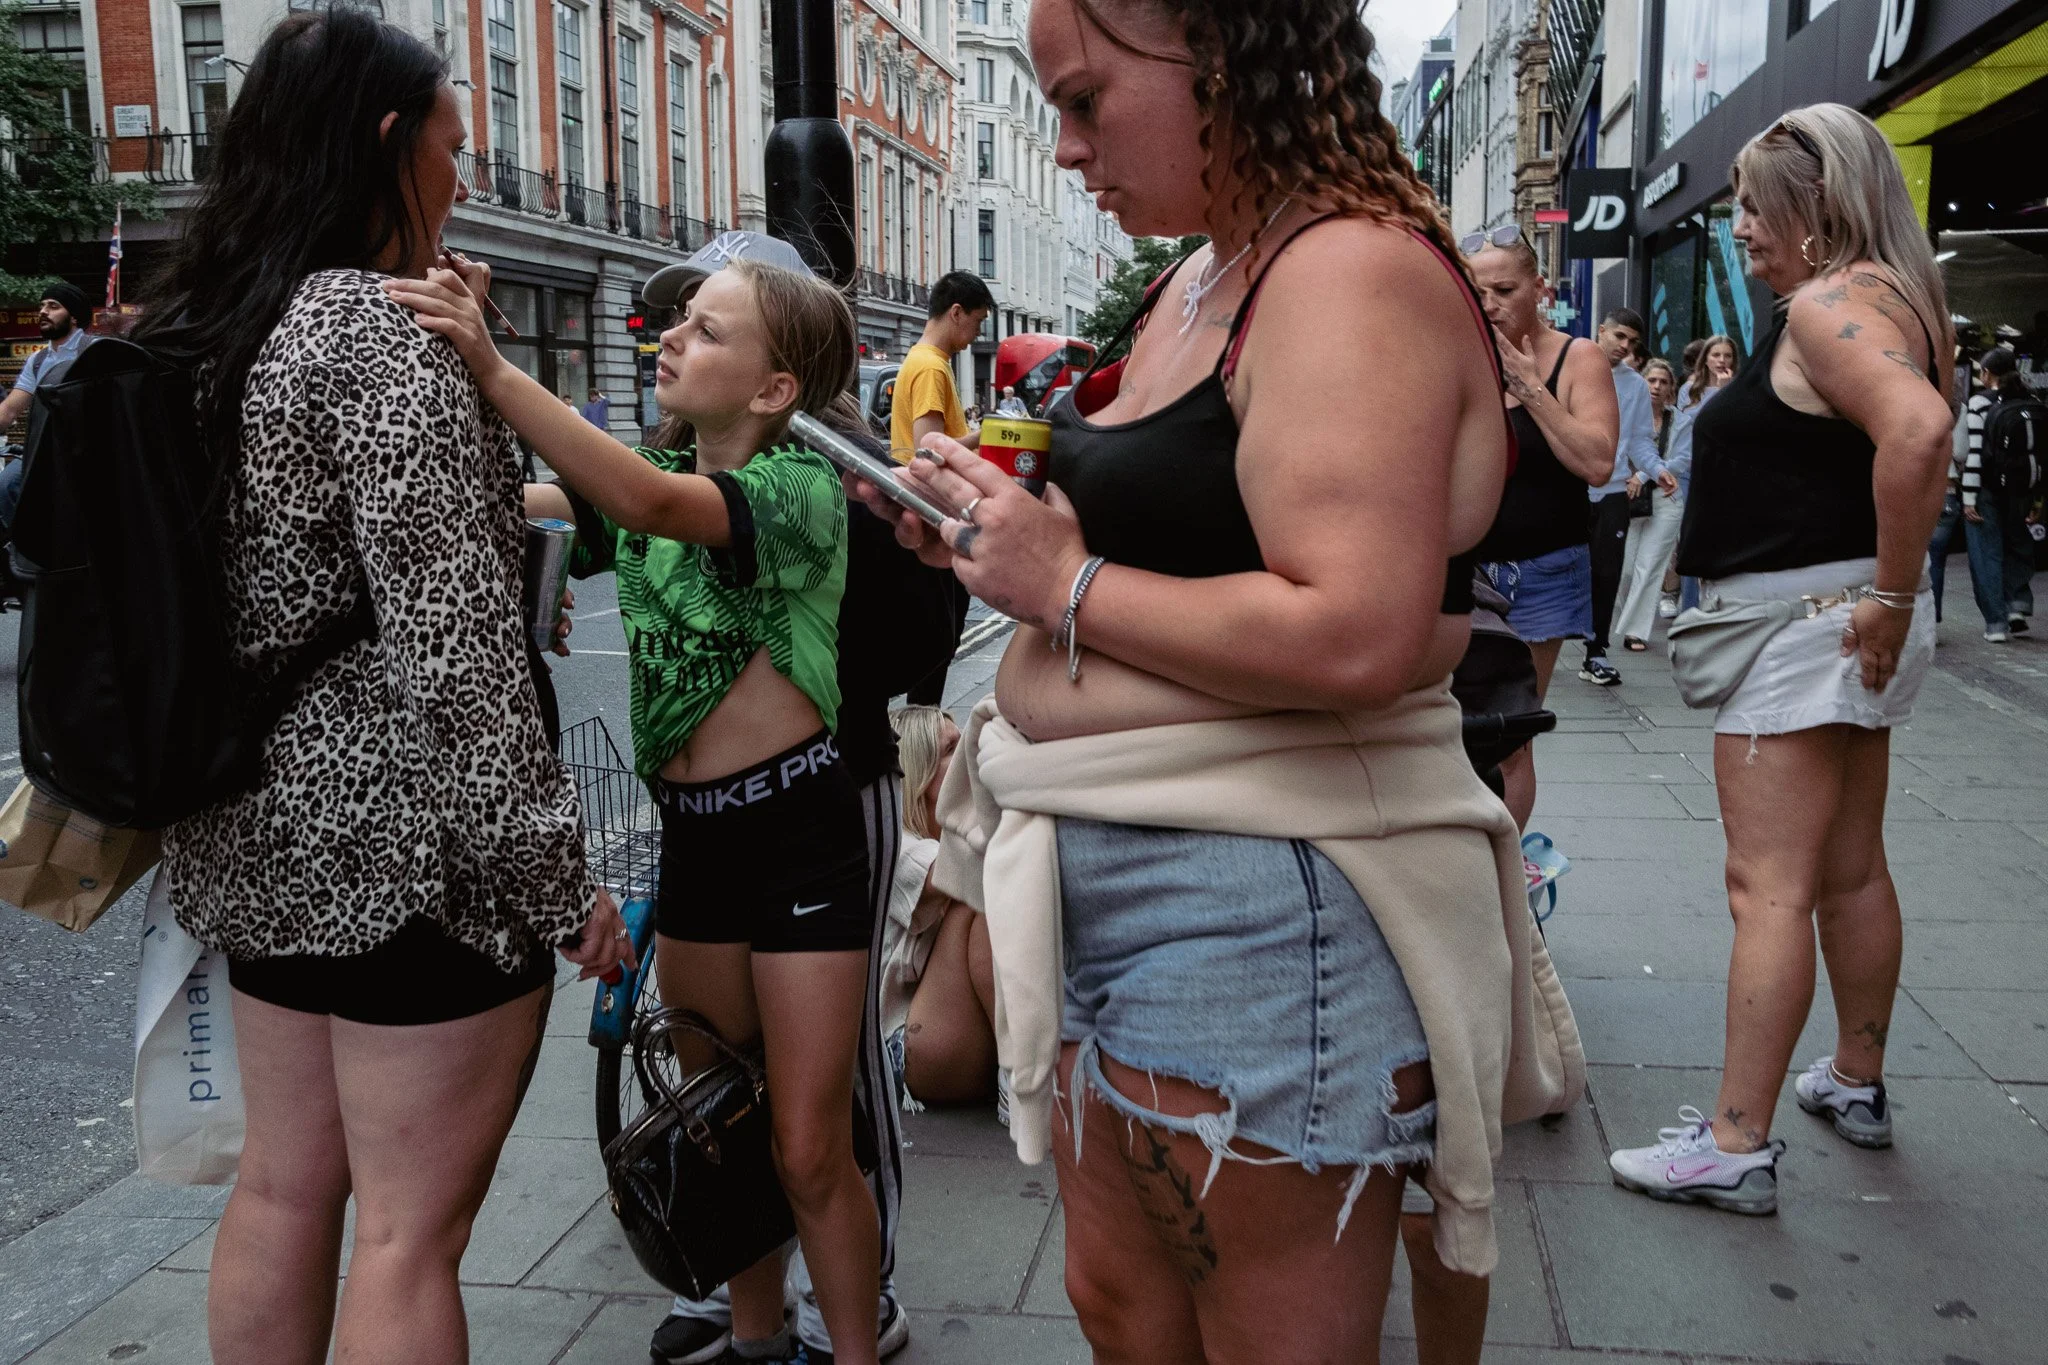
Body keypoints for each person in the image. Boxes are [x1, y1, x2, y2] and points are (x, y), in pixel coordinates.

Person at [854, 2, 1583, 1358]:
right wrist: (1007, 536)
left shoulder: (1345, 270)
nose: (1068, 148)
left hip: (1259, 900)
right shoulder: (1208, 273)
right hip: (1120, 869)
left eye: (1085, 99)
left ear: (1223, 53)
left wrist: (1060, 588)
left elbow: (1360, 631)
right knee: (1121, 1307)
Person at [130, 12, 630, 1363]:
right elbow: (456, 644)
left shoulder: (205, 329)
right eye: (453, 146)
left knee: (285, 1186)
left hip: (249, 828)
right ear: (383, 141)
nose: (463, 178)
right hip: (409, 853)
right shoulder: (379, 337)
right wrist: (554, 874)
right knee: (408, 1232)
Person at [388, 248, 884, 1363]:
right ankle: (758, 1345)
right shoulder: (651, 471)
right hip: (697, 844)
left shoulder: (798, 486)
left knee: (807, 1147)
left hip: (799, 837)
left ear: (774, 390)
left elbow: (651, 499)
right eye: (678, 323)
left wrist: (494, 364)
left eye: (706, 330)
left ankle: (854, 1349)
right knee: (723, 1132)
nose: (669, 337)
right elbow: (552, 505)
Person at [1609, 104, 1956, 1214]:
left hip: (1804, 626)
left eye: (1755, 207)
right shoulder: (1897, 296)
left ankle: (1733, 1141)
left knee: (1765, 889)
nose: (1739, 227)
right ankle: (1852, 1082)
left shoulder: (1825, 307)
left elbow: (1915, 434)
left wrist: (1889, 599)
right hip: (1845, 617)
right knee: (1849, 868)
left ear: (1814, 213)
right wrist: (1887, 600)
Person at [1466, 229, 1620, 826]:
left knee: (1509, 731)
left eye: (1504, 289)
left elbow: (1597, 460)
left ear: (1539, 288)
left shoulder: (1577, 357)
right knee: (1451, 730)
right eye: (1477, 291)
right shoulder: (1462, 354)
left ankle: (1509, 866)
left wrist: (1529, 387)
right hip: (1465, 569)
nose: (1489, 304)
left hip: (1541, 567)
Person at [876, 705, 999, 1107]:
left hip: (953, 1032)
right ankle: (1025, 1077)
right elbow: (952, 872)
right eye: (951, 749)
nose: (968, 752)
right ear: (920, 775)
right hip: (908, 1050)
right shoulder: (898, 848)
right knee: (977, 896)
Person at [896, 271, 995, 705]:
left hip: (923, 514)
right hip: (934, 516)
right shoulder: (931, 366)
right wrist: (986, 432)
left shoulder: (920, 361)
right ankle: (923, 742)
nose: (975, 335)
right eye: (976, 322)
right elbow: (928, 449)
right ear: (956, 313)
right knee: (936, 645)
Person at [1582, 306, 1668, 683]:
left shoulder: (1634, 384)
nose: (1624, 346)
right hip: (1572, 488)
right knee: (1560, 568)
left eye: (1632, 342)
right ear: (1602, 330)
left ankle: (1596, 652)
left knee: (1606, 574)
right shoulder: (1576, 367)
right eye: (1619, 336)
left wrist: (1658, 469)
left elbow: (1638, 442)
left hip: (1614, 490)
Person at [1612, 358, 1687, 651]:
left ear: (1671, 388)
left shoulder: (1681, 420)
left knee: (1650, 567)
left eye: (1663, 382)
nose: (1656, 387)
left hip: (1666, 499)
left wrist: (1643, 474)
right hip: (1628, 499)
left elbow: (1680, 460)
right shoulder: (1625, 415)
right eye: (1651, 380)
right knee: (1626, 569)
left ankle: (1636, 631)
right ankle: (1628, 614)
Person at [1973, 347, 2040, 637]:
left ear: (1987, 373)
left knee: (1989, 553)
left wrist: (1967, 497)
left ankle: (1996, 624)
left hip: (1988, 489)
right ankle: (2018, 605)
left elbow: (1974, 453)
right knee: (2018, 544)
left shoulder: (1979, 402)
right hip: (2023, 488)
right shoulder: (2032, 401)